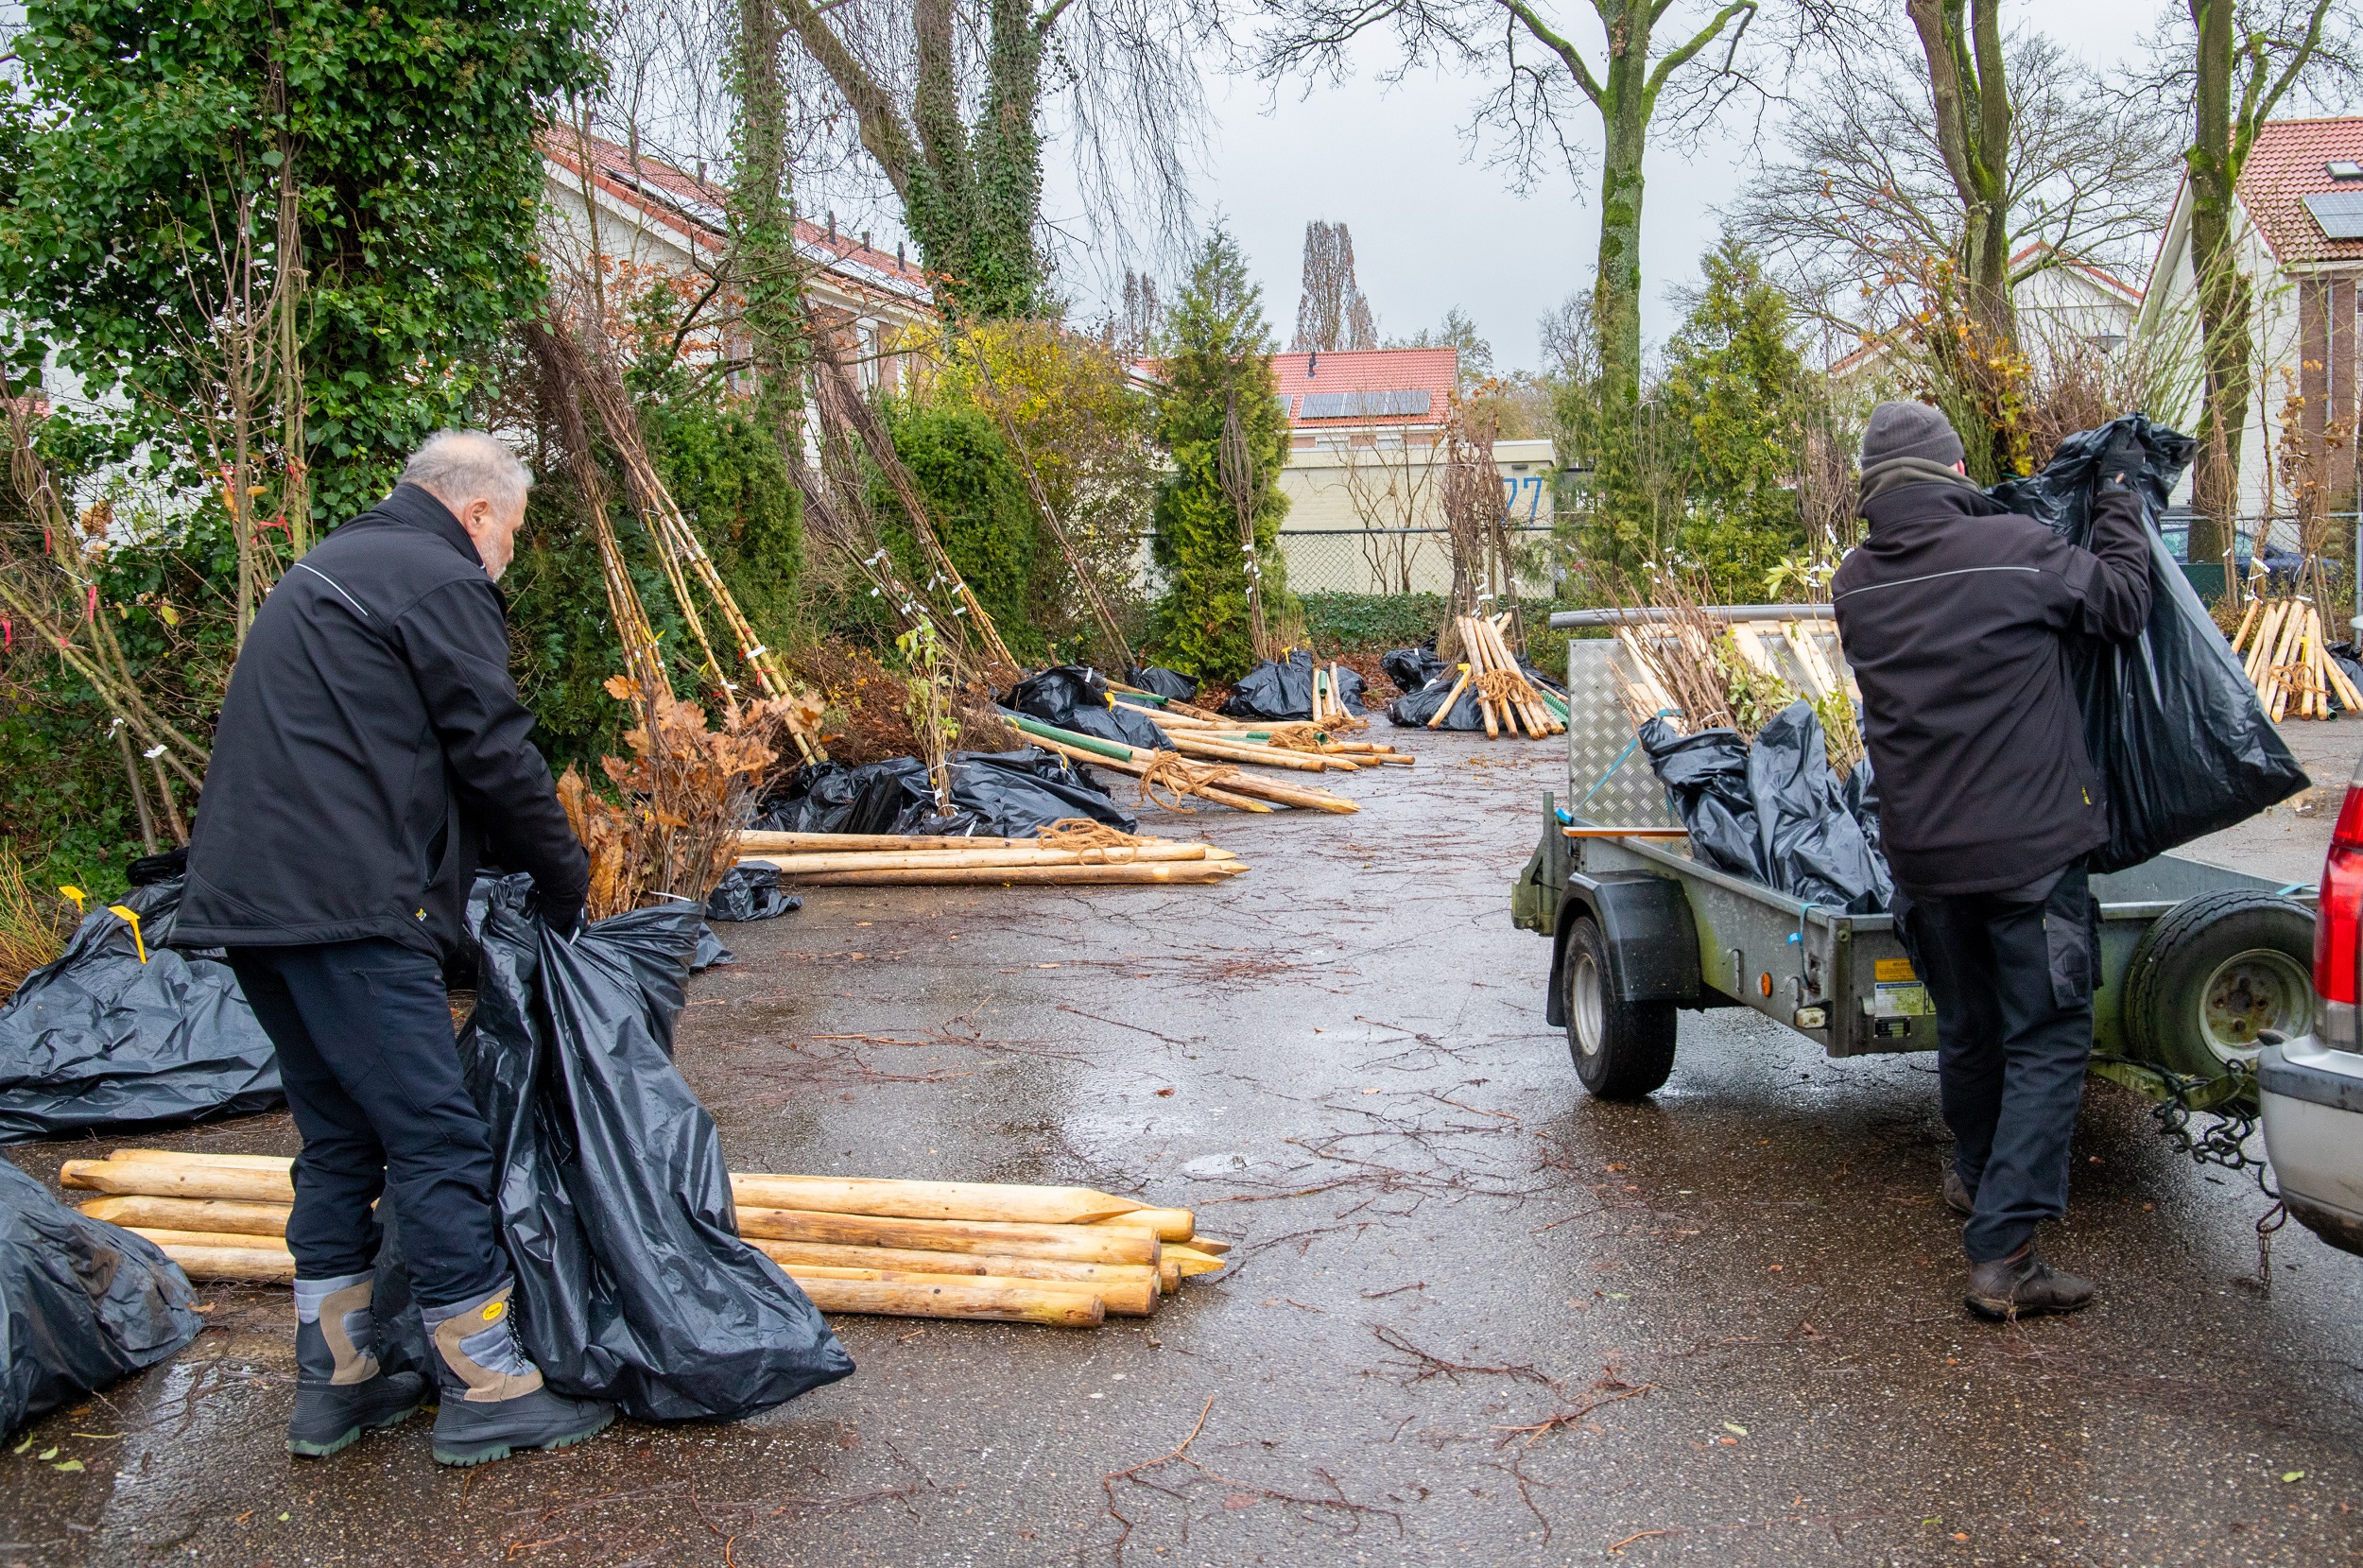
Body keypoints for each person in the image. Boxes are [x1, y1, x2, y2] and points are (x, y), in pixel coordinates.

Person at [176, 431, 608, 1464]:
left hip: (255, 904)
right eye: (509, 532)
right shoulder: (435, 575)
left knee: (339, 1138)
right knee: (435, 1136)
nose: (505, 554)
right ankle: (487, 1382)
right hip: (346, 907)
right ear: (474, 513)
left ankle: (342, 1381)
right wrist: (564, 881)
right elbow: (492, 749)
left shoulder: (337, 564)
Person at [1831, 402, 2151, 1321]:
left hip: (1924, 861)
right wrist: (2119, 494)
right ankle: (2005, 1253)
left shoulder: (1855, 583)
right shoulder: (2013, 549)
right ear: (1949, 470)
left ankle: (1977, 1181)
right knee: (2048, 1038)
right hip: (2030, 857)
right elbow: (2122, 603)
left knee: (1968, 1031)